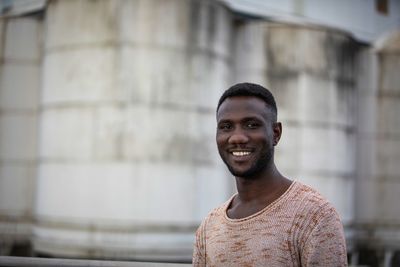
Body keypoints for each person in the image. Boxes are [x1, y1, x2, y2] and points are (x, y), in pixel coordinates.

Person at [193, 82, 347, 266]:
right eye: (226, 126)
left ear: (276, 133)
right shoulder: (209, 227)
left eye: (251, 125)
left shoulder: (315, 216)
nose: (237, 137)